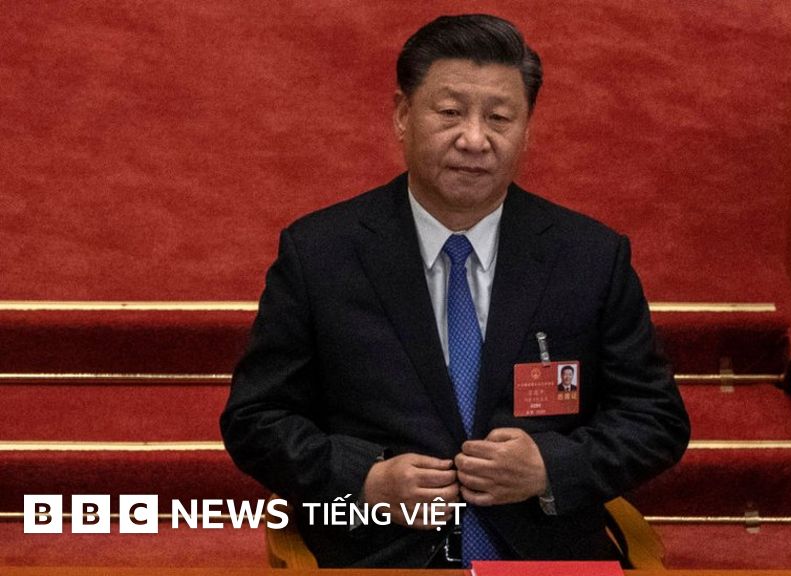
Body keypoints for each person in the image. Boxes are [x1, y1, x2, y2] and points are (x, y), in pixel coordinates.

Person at [221, 13, 688, 568]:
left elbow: (656, 419)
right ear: (402, 115)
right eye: (449, 113)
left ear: (527, 129)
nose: (474, 139)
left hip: (541, 557)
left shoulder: (589, 257)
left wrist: (551, 467)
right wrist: (365, 480)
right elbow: (256, 420)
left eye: (499, 118)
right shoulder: (321, 254)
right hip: (383, 556)